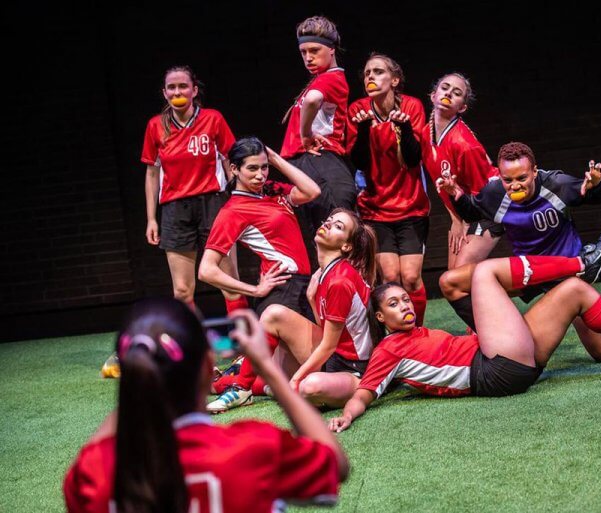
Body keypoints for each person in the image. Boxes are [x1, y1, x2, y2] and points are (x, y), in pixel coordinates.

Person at [328, 258, 601, 432]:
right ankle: (580, 260)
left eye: (406, 299)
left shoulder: (419, 333)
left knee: (575, 290)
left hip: (503, 358)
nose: (405, 306)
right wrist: (347, 414)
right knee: (484, 273)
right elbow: (365, 391)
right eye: (394, 304)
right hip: (493, 371)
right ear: (380, 317)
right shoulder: (388, 350)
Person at [64, 297, 348, 513]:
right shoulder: (253, 448)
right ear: (207, 367)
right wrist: (266, 367)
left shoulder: (97, 469)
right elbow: (335, 465)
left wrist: (135, 382)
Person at [437, 141, 601, 356]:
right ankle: (493, 338)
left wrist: (596, 185)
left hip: (567, 273)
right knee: (455, 282)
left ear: (535, 171)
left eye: (522, 178)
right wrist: (456, 193)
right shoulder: (495, 193)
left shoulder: (556, 184)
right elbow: (473, 212)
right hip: (528, 272)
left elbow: (593, 195)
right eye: (508, 180)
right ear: (500, 176)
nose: (515, 185)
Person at [208, 208, 377, 412]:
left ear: (346, 246)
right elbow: (330, 331)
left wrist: (296, 379)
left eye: (338, 226)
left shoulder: (340, 279)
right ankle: (237, 386)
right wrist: (311, 299)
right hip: (333, 358)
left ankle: (259, 385)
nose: (328, 224)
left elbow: (329, 345)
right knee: (273, 314)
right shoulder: (325, 272)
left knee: (308, 386)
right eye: (330, 220)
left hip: (352, 369)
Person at [141, 65, 239, 312]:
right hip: (175, 210)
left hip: (214, 204)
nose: (177, 92)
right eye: (171, 87)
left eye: (183, 86)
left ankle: (244, 337)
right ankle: (193, 337)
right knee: (182, 291)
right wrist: (151, 219)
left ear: (194, 90)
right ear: (164, 93)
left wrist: (239, 202)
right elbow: (152, 174)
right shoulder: (155, 126)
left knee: (229, 282)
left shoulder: (213, 119)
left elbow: (230, 161)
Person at [347, 53, 429, 324]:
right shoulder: (358, 109)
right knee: (390, 278)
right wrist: (363, 130)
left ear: (394, 80)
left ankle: (418, 333)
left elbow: (414, 159)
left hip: (411, 207)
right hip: (376, 209)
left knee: (411, 278)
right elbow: (359, 162)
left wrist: (405, 128)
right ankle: (396, 335)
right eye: (367, 73)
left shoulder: (412, 106)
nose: (370, 76)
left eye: (378, 71)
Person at [198, 136, 320, 319]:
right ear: (234, 169)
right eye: (252, 168)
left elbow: (312, 191)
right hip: (283, 290)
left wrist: (275, 158)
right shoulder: (233, 211)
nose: (260, 175)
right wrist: (255, 290)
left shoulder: (271, 189)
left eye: (264, 167)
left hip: (300, 286)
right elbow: (206, 270)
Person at [280, 15, 357, 253]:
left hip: (322, 162)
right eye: (303, 52)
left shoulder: (332, 79)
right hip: (312, 166)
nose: (308, 57)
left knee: (338, 244)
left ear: (331, 49)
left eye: (314, 50)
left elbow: (312, 100)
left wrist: (305, 136)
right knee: (323, 242)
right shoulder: (321, 80)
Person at [421, 72, 501, 270]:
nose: (448, 93)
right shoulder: (425, 134)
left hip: (491, 208)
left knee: (457, 277)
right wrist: (455, 219)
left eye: (457, 93)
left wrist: (465, 220)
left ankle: (498, 277)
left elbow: (483, 195)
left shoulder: (464, 145)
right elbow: (441, 185)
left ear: (462, 107)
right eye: (445, 88)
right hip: (465, 208)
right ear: (433, 95)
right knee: (452, 278)